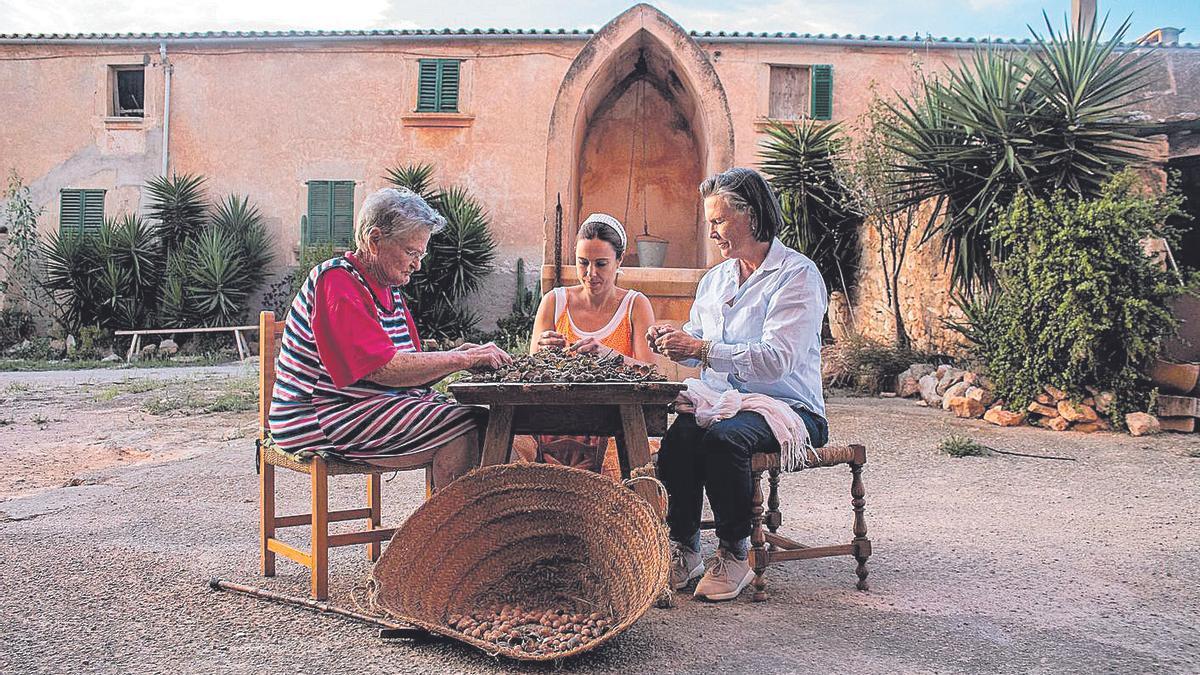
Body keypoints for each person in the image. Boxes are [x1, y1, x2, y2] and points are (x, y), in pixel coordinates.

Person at [648, 168, 830, 601]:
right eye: (710, 222)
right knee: (679, 440)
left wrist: (703, 347)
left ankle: (734, 553)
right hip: (724, 401)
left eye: (719, 220)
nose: (711, 231)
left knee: (724, 441)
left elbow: (777, 360)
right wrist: (677, 342)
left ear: (751, 216)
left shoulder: (797, 276)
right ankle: (685, 549)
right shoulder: (716, 280)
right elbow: (701, 341)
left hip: (788, 408)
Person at [268, 187, 512, 489]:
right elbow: (382, 369)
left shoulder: (387, 287)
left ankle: (468, 526)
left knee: (497, 423)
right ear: (374, 240)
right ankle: (451, 531)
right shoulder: (337, 281)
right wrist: (461, 359)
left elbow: (407, 366)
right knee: (465, 425)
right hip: (321, 414)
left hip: (368, 403)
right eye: (411, 252)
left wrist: (460, 354)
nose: (417, 264)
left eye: (420, 254)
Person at [526, 213, 656, 475]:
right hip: (557, 421)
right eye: (583, 263)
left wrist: (608, 354)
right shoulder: (554, 301)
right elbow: (529, 372)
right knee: (514, 452)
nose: (590, 273)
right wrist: (542, 352)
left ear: (619, 261)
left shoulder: (635, 305)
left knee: (622, 474)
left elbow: (650, 374)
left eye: (601, 264)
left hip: (615, 421)